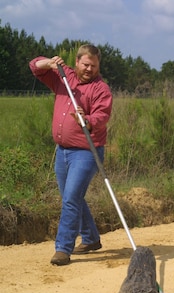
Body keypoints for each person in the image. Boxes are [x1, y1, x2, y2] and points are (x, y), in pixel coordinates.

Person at [29, 44, 113, 266]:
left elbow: (102, 116)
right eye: (86, 64)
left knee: (70, 199)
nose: (89, 69)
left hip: (86, 152)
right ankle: (91, 238)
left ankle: (63, 249)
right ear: (76, 62)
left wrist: (86, 120)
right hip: (62, 151)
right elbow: (35, 67)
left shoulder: (100, 89)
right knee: (72, 197)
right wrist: (49, 63)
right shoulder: (62, 76)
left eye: (93, 66)